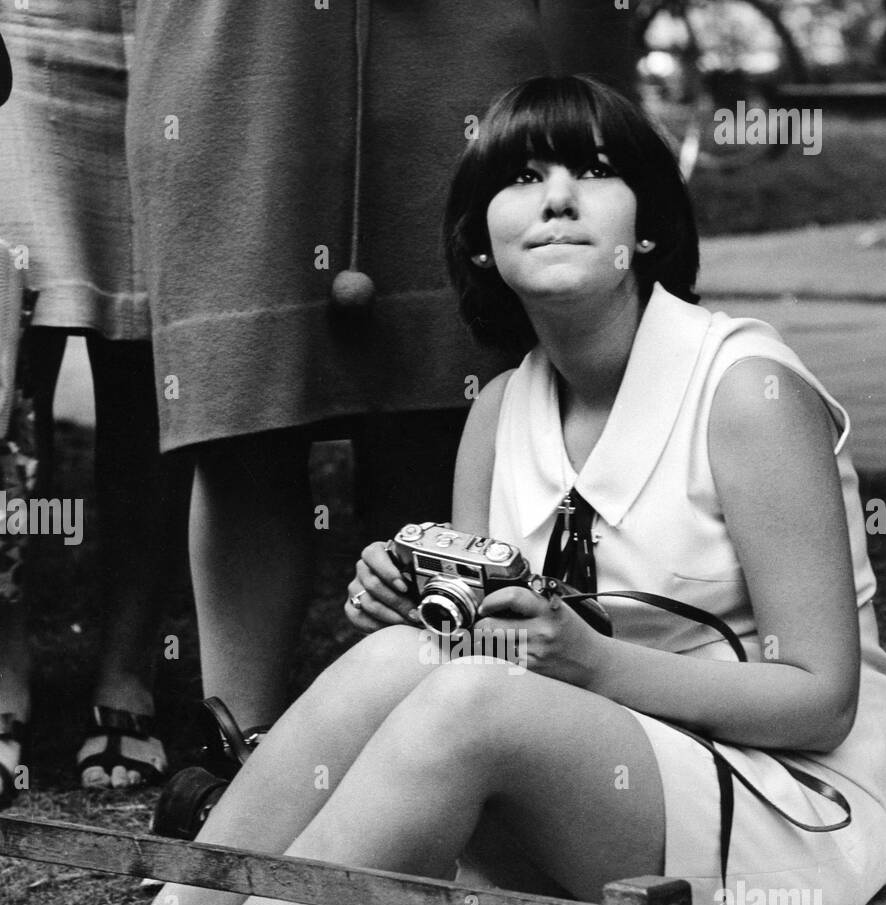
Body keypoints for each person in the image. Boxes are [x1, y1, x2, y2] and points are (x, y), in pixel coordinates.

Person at [11, 76, 886, 905]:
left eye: (594, 170)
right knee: (410, 662)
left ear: (649, 230)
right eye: (521, 177)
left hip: (787, 808)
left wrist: (581, 661)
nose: (559, 197)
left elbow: (820, 697)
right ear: (480, 243)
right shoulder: (499, 410)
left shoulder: (744, 390)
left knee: (466, 697)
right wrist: (414, 606)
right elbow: (481, 650)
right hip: (606, 797)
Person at [125, 0, 636, 738]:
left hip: (467, 34)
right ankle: (237, 746)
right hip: (243, 39)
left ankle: (421, 736)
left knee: (445, 390)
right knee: (242, 397)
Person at [0, 0, 179, 794]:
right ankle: (3, 665)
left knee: (151, 367)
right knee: (7, 370)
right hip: (19, 31)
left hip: (172, 38)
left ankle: (128, 670)